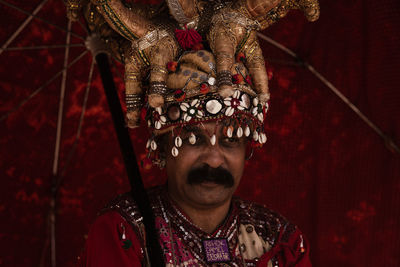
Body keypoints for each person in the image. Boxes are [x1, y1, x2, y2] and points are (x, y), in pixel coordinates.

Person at [73, 0, 319, 265]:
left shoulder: (281, 242)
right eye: (194, 139)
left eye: (231, 140)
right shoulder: (125, 233)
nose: (214, 159)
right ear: (163, 145)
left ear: (249, 147)